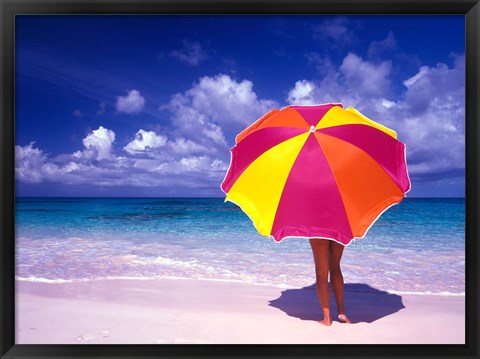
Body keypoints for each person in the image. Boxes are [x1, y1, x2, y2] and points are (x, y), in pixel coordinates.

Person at [309, 237, 352, 326]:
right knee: (335, 267)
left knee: (321, 274)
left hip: (318, 229)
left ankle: (327, 319)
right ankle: (341, 312)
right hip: (338, 227)